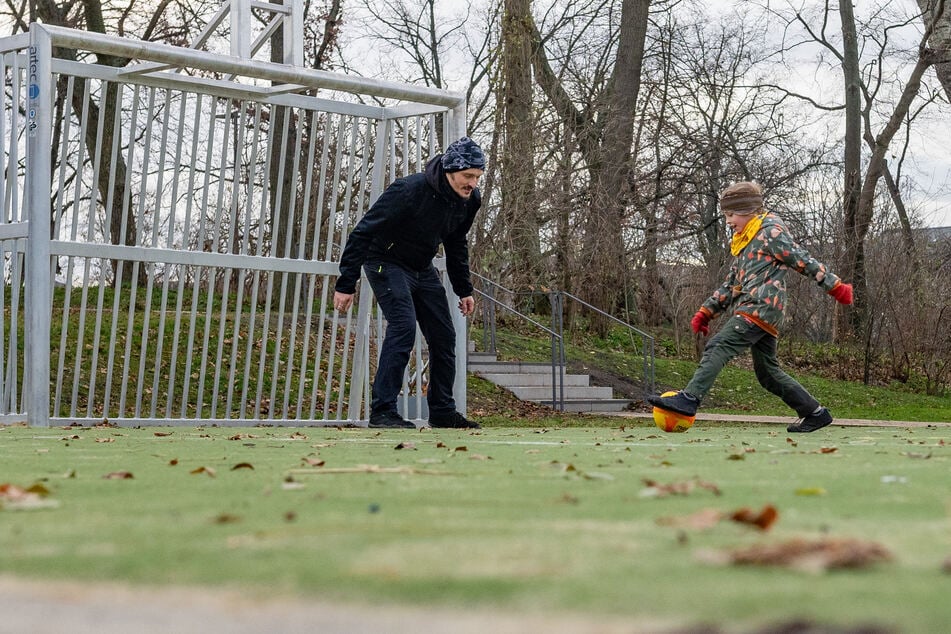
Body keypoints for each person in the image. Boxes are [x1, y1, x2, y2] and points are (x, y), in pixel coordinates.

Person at [647, 181, 854, 433]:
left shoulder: (770, 231)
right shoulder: (745, 240)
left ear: (748, 211)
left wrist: (835, 286)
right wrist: (707, 311)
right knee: (767, 373)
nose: (728, 220)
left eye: (731, 214)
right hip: (756, 309)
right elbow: (732, 283)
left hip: (762, 306)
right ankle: (815, 413)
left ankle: (689, 399)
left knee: (719, 345)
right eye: (726, 215)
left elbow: (801, 259)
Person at [333, 136, 485, 429]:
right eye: (468, 176)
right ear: (450, 170)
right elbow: (362, 232)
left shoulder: (470, 201)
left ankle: (441, 411)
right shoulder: (409, 190)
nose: (473, 183)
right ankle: (383, 411)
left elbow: (456, 243)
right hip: (385, 261)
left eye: (477, 177)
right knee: (403, 326)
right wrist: (346, 282)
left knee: (444, 336)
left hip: (420, 266)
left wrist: (464, 288)